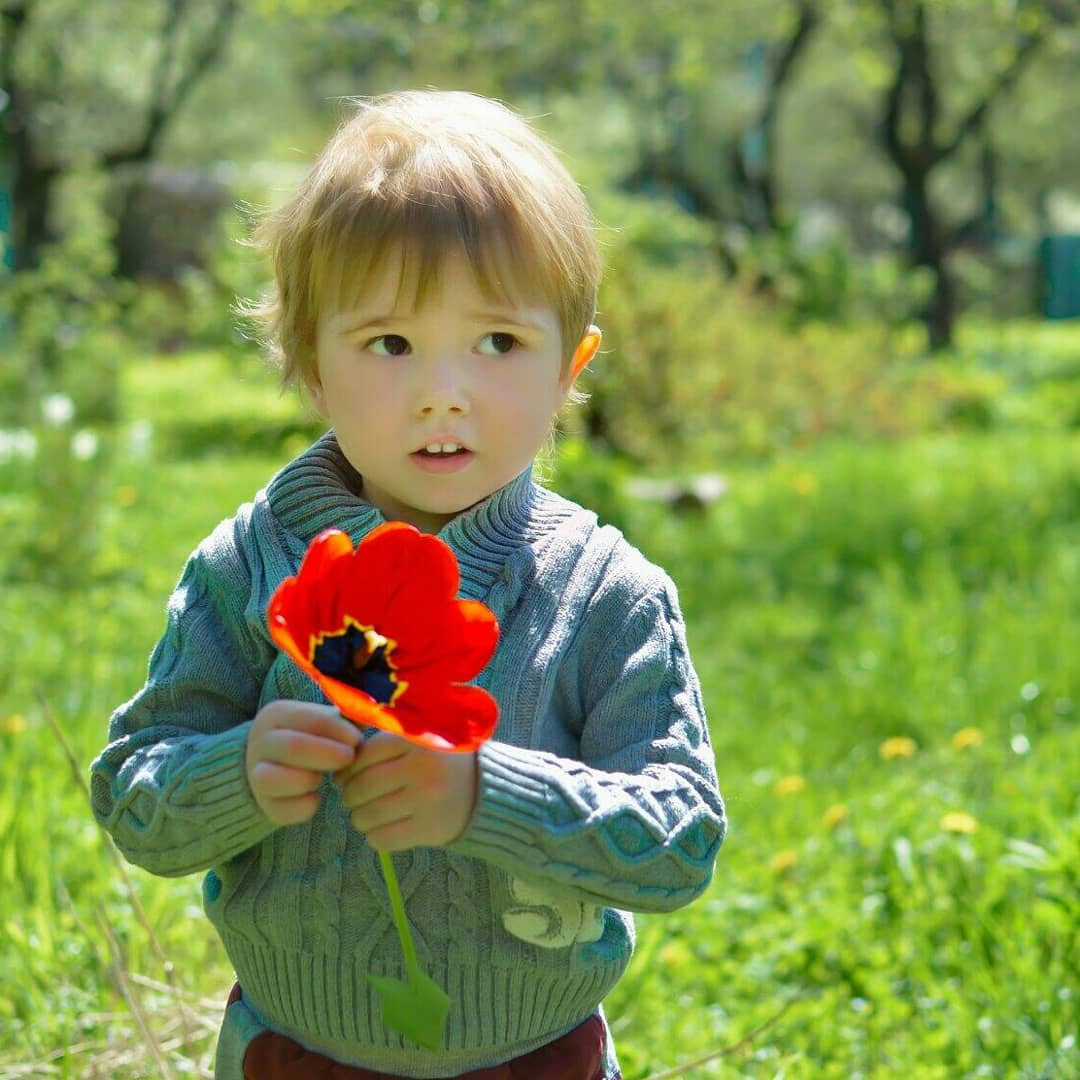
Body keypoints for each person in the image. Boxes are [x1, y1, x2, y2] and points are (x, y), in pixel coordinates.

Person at [90, 89, 726, 1080]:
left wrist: (487, 796)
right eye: (390, 343)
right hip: (294, 1052)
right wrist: (236, 774)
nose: (444, 391)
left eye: (499, 343)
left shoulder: (607, 595)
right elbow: (135, 799)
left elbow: (680, 840)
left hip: (535, 1056)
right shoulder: (250, 569)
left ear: (571, 368)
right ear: (308, 360)